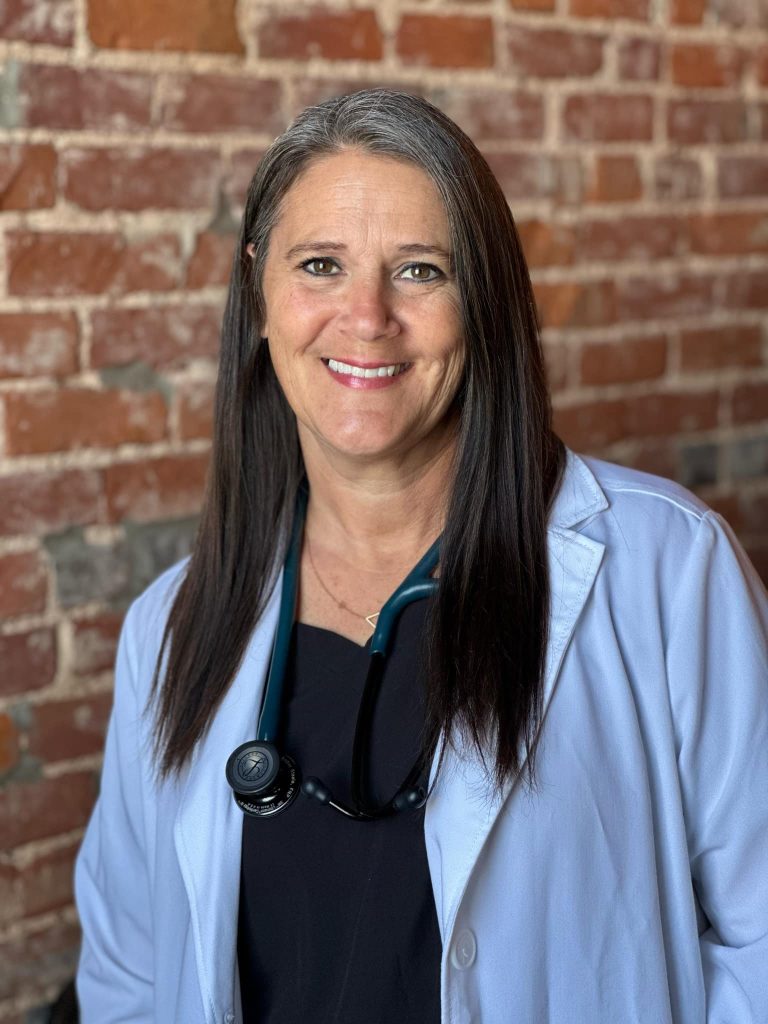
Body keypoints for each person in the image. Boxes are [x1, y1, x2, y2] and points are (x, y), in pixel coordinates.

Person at [74, 88, 768, 1024]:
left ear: (482, 299)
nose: (366, 318)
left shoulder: (668, 568)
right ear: (260, 291)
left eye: (420, 271)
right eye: (321, 265)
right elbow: (129, 975)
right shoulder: (169, 628)